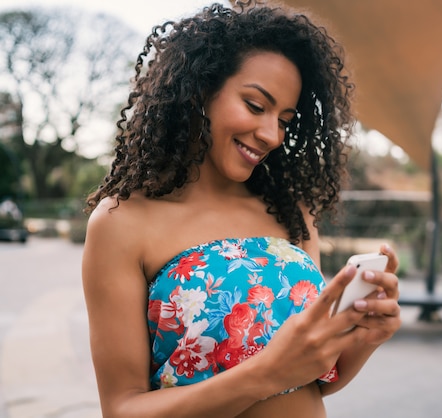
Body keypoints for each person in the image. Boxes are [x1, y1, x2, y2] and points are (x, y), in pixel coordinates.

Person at [81, 2, 401, 417]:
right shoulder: (121, 223)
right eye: (255, 105)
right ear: (200, 90)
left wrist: (366, 337)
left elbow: (315, 380)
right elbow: (122, 409)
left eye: (285, 120)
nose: (271, 134)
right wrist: (264, 373)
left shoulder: (291, 213)